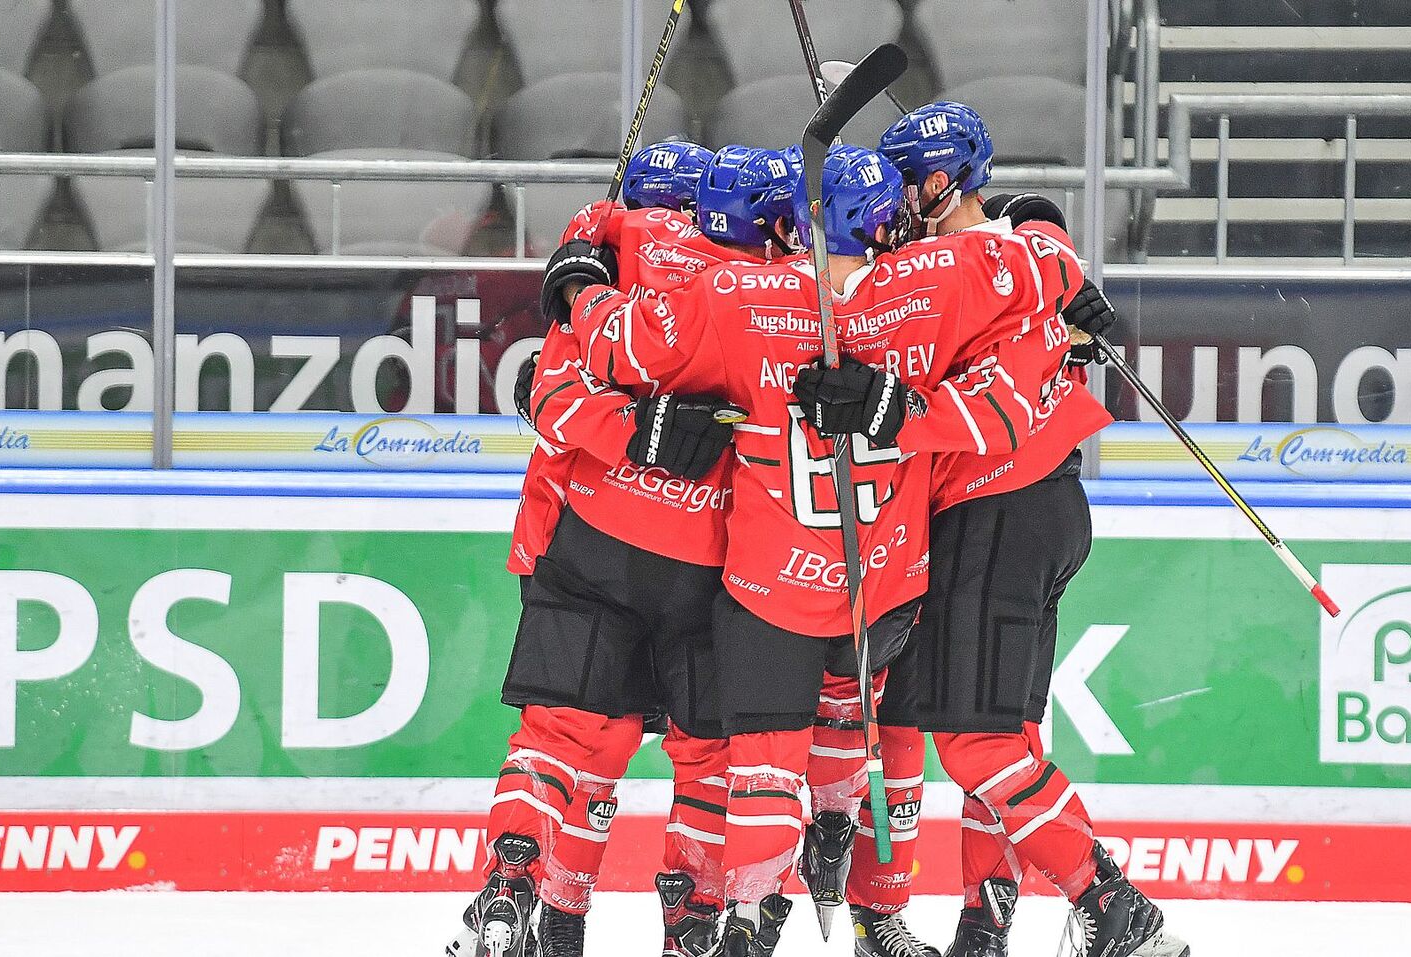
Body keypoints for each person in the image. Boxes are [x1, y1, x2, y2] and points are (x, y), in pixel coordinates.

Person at [556, 144, 1084, 956]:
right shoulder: (922, 288)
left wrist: (579, 284)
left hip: (771, 582)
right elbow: (1018, 295)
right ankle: (855, 865)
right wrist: (1060, 271)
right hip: (885, 576)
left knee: (763, 767)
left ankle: (751, 921)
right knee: (886, 731)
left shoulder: (734, 294)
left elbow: (625, 348)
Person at [454, 144, 801, 957]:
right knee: (704, 755)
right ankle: (690, 919)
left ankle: (514, 889)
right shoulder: (790, 294)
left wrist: (582, 265)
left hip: (591, 535)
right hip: (718, 560)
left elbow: (553, 389)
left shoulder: (614, 266)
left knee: (567, 737)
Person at [878, 101, 1190, 957]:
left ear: (948, 183)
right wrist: (1052, 243)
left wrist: (881, 411)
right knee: (1004, 735)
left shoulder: (957, 264)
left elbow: (964, 398)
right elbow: (1036, 240)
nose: (896, 198)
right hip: (1045, 504)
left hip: (996, 505)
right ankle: (988, 916)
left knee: (976, 741)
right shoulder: (1023, 250)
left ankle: (1113, 904)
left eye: (913, 182)